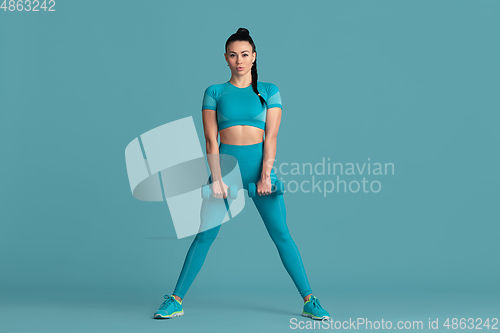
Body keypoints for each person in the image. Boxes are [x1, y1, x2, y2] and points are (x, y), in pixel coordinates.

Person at [153, 27, 330, 321]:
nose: (239, 60)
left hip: (261, 169)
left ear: (254, 56)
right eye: (233, 55)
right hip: (225, 170)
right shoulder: (214, 92)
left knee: (282, 235)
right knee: (204, 236)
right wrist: (218, 179)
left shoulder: (269, 91)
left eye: (245, 54)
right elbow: (211, 140)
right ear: (225, 58)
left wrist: (265, 175)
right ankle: (176, 300)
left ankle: (310, 300)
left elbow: (271, 137)